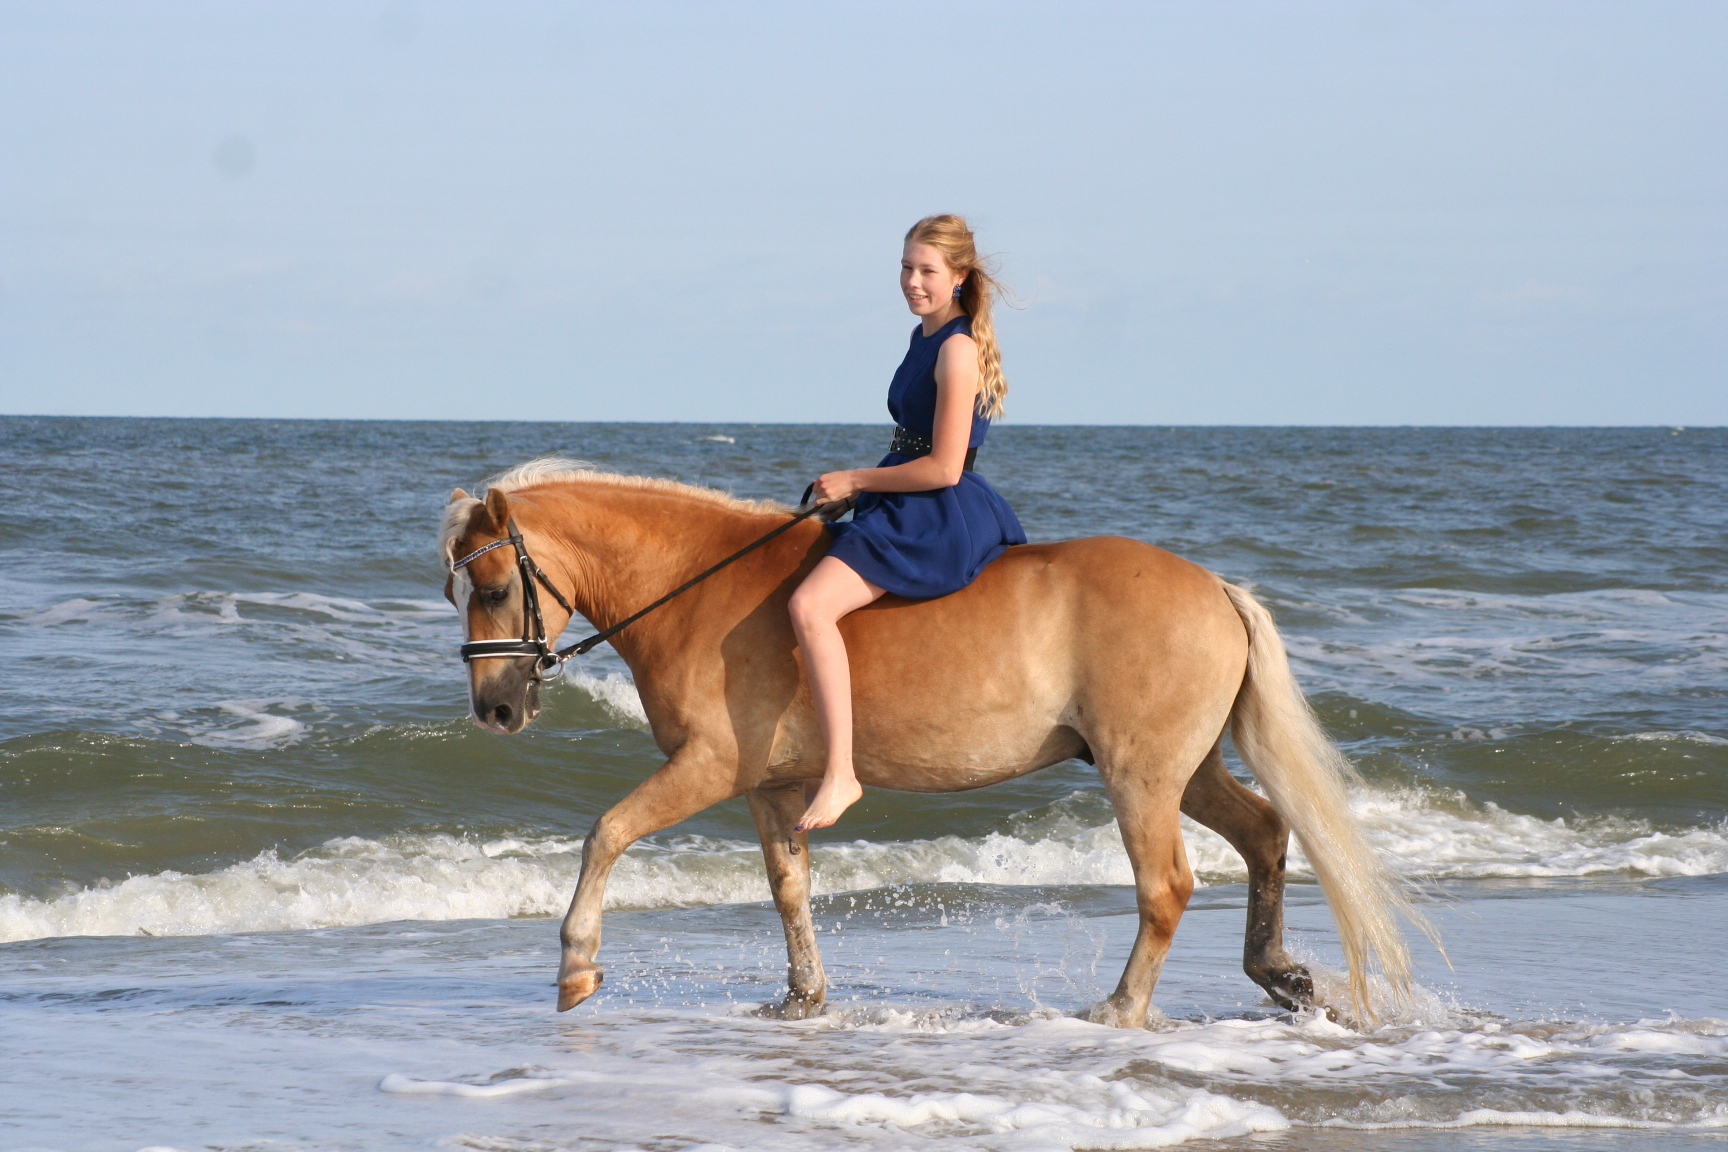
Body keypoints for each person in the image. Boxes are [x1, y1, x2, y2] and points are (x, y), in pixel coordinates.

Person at [790, 214, 1027, 832]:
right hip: (901, 494)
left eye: (926, 270)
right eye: (905, 267)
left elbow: (945, 467)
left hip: (937, 508)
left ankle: (841, 772)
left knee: (811, 608)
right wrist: (851, 491)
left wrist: (857, 480)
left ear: (959, 277)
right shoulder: (923, 337)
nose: (912, 281)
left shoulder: (954, 348)